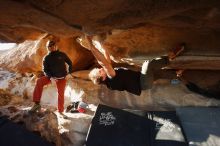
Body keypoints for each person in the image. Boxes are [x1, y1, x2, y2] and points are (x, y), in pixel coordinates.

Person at [86, 35, 184, 96]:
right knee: (147, 65)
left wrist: (101, 45)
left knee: (156, 73)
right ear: (102, 78)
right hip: (143, 83)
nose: (100, 68)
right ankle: (170, 57)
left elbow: (106, 60)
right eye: (99, 71)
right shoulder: (111, 78)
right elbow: (104, 63)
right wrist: (91, 46)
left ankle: (176, 73)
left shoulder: (109, 76)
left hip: (140, 78)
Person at [30, 40, 73, 113]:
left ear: (56, 46)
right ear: (47, 48)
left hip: (62, 78)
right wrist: (51, 77)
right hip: (51, 77)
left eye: (53, 45)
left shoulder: (62, 54)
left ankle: (60, 111)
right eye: (50, 46)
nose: (52, 47)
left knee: (61, 94)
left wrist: (69, 73)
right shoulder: (46, 58)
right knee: (39, 81)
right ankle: (36, 103)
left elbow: (70, 63)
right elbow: (45, 70)